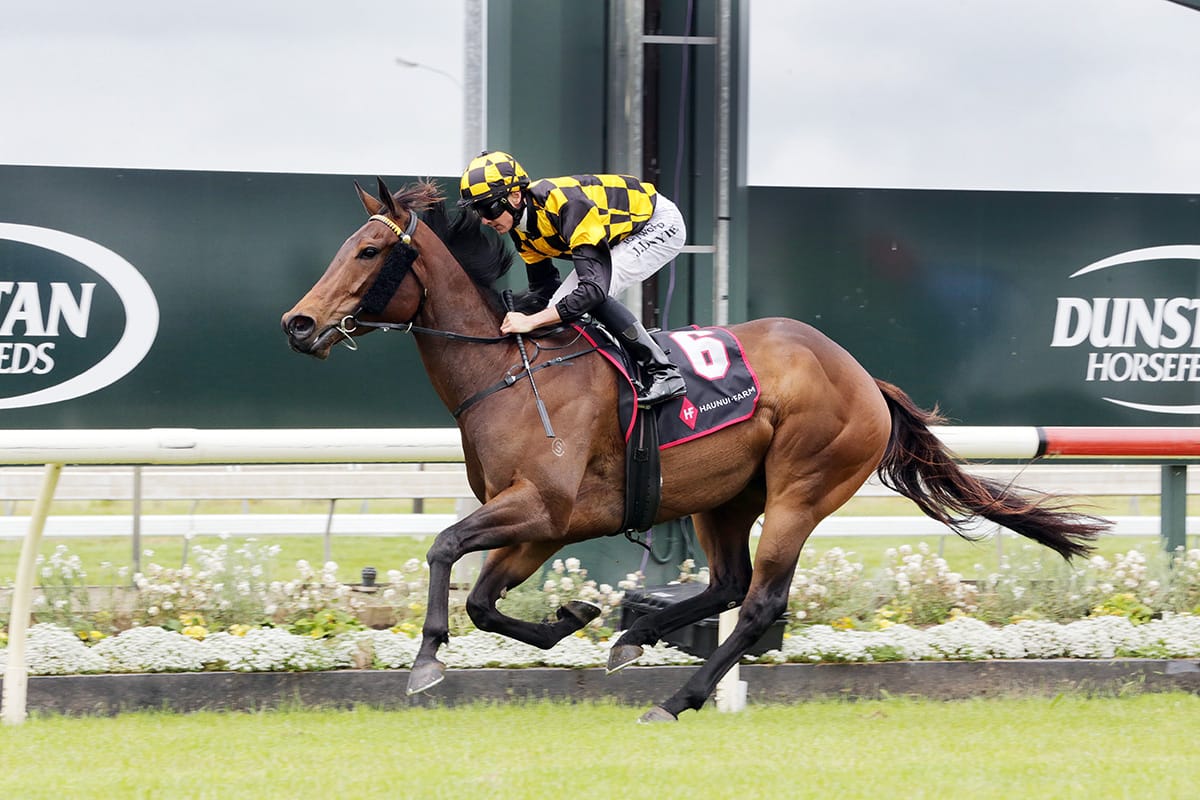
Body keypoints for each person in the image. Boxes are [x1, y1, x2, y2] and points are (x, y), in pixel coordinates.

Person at [458, 150, 688, 406]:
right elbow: (544, 288)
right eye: (477, 211)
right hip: (616, 236)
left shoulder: (567, 204)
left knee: (588, 294)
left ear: (515, 196)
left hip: (656, 223)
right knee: (559, 304)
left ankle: (664, 372)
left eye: (487, 208)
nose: (484, 220)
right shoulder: (520, 230)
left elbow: (593, 291)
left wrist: (532, 321)